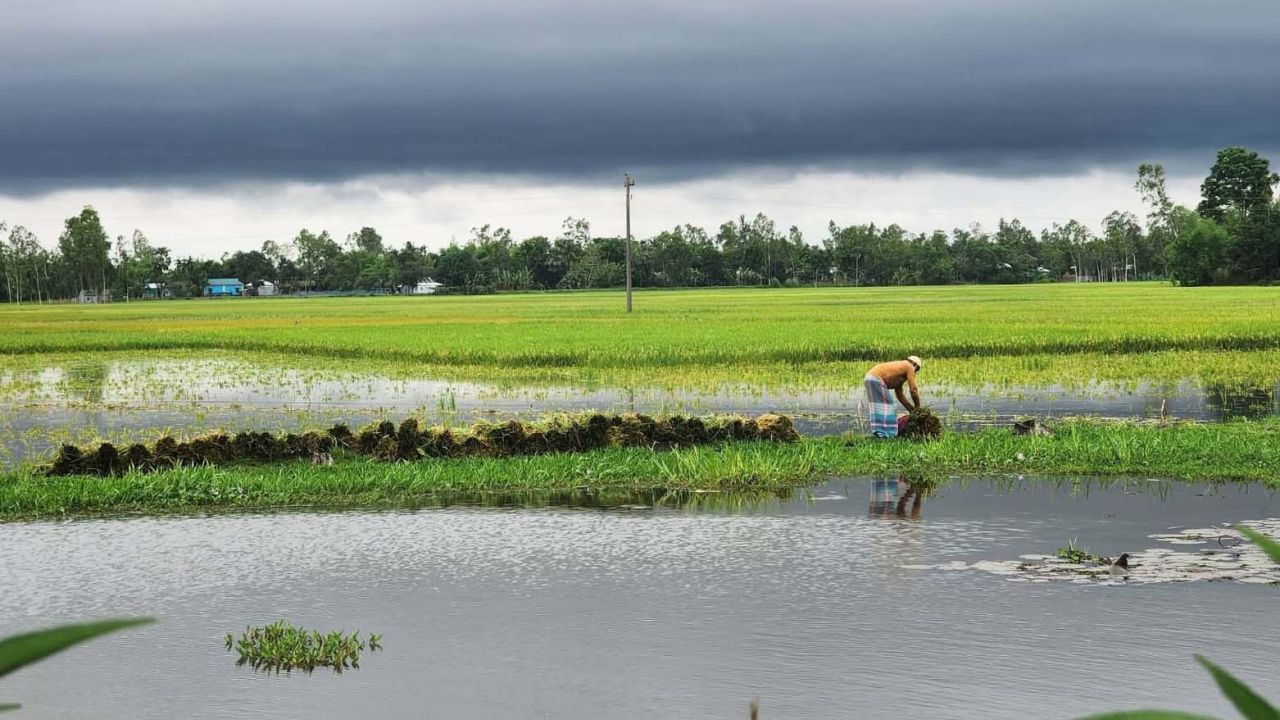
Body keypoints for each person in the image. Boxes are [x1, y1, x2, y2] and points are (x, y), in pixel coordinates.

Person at [864, 356, 922, 438]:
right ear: (915, 365)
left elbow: (900, 396)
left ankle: (881, 433)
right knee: (889, 406)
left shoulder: (900, 370)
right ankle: (889, 434)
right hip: (876, 378)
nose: (914, 372)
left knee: (879, 407)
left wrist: (912, 411)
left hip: (869, 377)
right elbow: (914, 390)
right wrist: (918, 407)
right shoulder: (909, 366)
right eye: (916, 370)